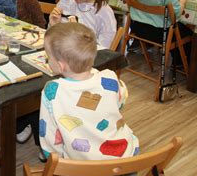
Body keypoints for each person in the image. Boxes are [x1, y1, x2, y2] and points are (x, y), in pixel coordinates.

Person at [40, 23, 139, 164]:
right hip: (124, 157)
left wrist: (54, 158)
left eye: (48, 56)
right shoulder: (109, 77)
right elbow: (121, 101)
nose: (47, 58)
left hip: (81, 164)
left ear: (61, 65)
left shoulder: (53, 90)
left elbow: (49, 134)